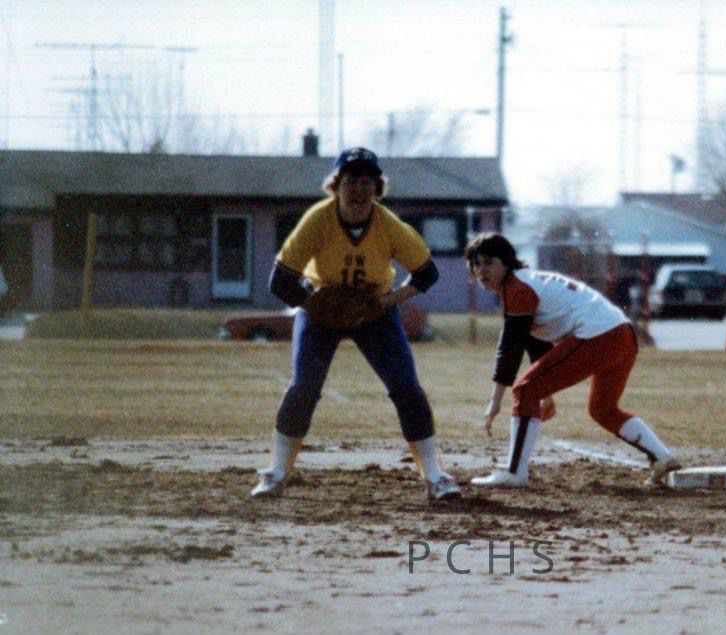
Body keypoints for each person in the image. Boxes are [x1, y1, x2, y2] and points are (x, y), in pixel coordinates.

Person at [251, 147, 461, 501]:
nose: (359, 189)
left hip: (374, 311)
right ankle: (276, 472)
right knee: (304, 387)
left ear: (378, 187)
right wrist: (317, 304)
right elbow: (280, 281)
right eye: (351, 181)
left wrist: (383, 302)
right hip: (322, 310)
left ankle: (435, 475)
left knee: (406, 387)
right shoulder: (319, 219)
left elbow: (427, 274)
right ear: (336, 185)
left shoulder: (388, 225)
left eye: (367, 182)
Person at [464, 233, 680, 488]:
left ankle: (514, 473)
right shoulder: (524, 282)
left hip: (600, 335)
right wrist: (545, 394)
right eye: (476, 264)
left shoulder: (517, 288)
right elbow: (534, 342)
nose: (481, 270)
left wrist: (495, 401)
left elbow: (510, 348)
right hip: (623, 334)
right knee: (602, 409)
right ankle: (663, 457)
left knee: (525, 389)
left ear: (506, 262)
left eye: (489, 262)